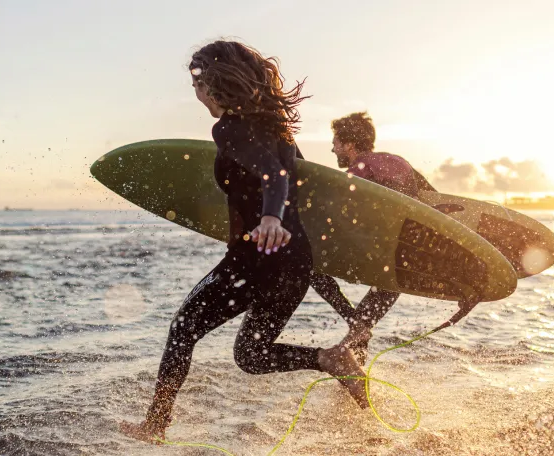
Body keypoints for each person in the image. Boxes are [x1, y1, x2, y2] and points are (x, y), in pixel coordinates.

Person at [118, 41, 369, 444]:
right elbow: (295, 188)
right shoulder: (280, 131)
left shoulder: (229, 128)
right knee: (251, 355)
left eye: (197, 81)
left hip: (257, 257)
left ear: (215, 84)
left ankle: (156, 425)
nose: (195, 91)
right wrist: (336, 298)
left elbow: (274, 177)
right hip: (294, 261)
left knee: (183, 327)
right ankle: (329, 358)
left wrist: (269, 217)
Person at [303, 112, 437, 365]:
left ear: (349, 144)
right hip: (402, 259)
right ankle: (356, 369)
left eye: (336, 142)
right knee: (380, 297)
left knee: (305, 264)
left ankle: (352, 323)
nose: (333, 148)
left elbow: (339, 212)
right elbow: (433, 200)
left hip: (375, 251)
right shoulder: (399, 161)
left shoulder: (360, 168)